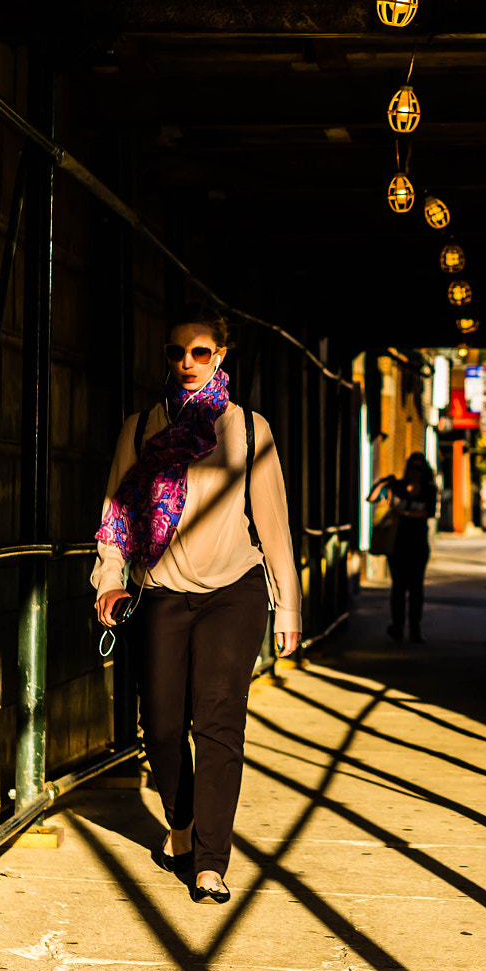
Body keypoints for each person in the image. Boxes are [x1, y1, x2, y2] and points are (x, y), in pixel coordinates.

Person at [93, 311, 300, 905]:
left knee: (217, 724)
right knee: (159, 726)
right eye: (177, 352)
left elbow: (275, 525)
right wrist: (109, 580)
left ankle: (210, 861)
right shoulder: (140, 431)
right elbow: (115, 519)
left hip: (234, 593)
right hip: (159, 590)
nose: (188, 363)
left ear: (221, 357)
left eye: (201, 352)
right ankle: (180, 824)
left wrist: (288, 608)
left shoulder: (249, 431)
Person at [367, 453, 437, 643]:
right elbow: (371, 498)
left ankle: (415, 628)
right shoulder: (397, 486)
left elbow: (427, 513)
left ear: (424, 471)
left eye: (419, 468)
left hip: (418, 546)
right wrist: (383, 482)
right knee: (398, 587)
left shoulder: (429, 490)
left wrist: (404, 512)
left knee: (416, 588)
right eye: (412, 467)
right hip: (396, 544)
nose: (415, 472)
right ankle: (397, 627)